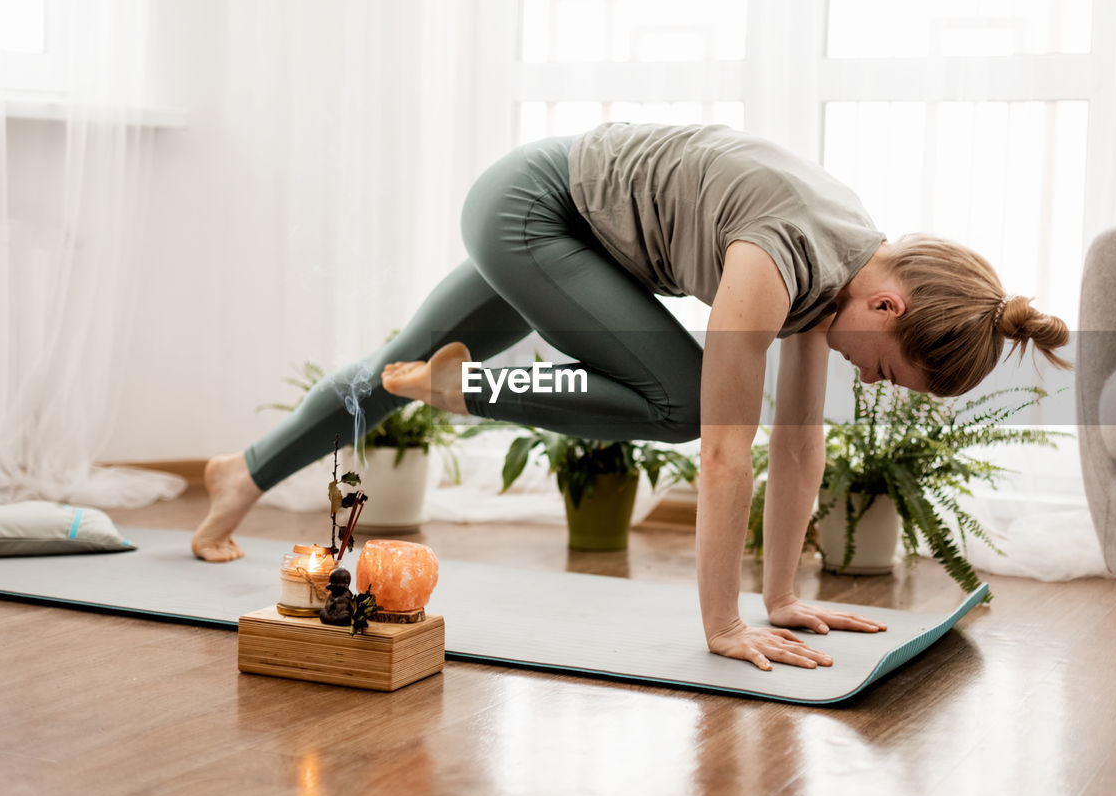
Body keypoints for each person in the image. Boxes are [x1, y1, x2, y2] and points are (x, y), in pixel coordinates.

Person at [193, 122, 1070, 671]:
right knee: (688, 404)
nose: (868, 382)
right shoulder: (782, 257)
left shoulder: (841, 274)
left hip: (575, 230)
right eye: (884, 370)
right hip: (534, 209)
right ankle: (470, 390)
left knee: (396, 365)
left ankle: (247, 471)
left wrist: (782, 599)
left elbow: (801, 443)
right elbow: (726, 449)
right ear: (889, 306)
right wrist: (725, 623)